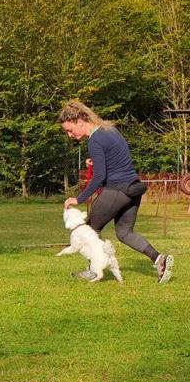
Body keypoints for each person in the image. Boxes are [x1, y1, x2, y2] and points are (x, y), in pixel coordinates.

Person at [59, 100, 174, 283]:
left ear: (80, 120)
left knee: (90, 229)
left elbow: (99, 178)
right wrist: (97, 163)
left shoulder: (94, 140)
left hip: (117, 189)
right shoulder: (110, 130)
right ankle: (159, 260)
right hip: (133, 188)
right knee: (124, 232)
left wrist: (79, 199)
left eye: (70, 129)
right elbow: (117, 161)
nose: (69, 134)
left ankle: (93, 270)